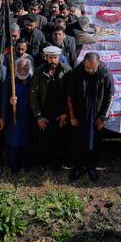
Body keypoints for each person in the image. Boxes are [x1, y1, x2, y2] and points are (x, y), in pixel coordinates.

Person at [67, 52, 114, 181]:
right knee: (78, 142)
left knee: (95, 142)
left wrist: (103, 117)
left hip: (96, 114)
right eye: (87, 67)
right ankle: (78, 167)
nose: (89, 70)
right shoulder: (77, 72)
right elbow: (70, 96)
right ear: (84, 63)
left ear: (98, 63)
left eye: (92, 68)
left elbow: (110, 96)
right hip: (81, 114)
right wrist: (72, 116)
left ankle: (91, 167)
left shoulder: (105, 72)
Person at [30, 45, 72, 174]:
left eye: (55, 57)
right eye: (50, 57)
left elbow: (70, 94)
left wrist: (66, 113)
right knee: (42, 140)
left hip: (60, 113)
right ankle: (42, 164)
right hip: (44, 112)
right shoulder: (39, 72)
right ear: (46, 57)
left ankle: (57, 165)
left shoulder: (67, 70)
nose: (53, 60)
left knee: (59, 140)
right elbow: (33, 94)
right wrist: (39, 116)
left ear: (59, 57)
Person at [1, 56, 34, 173]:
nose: (22, 71)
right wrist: (11, 102)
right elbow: (4, 99)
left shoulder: (33, 80)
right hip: (14, 117)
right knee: (13, 142)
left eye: (25, 69)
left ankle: (27, 164)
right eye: (20, 69)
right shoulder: (11, 81)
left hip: (29, 117)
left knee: (28, 141)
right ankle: (14, 166)